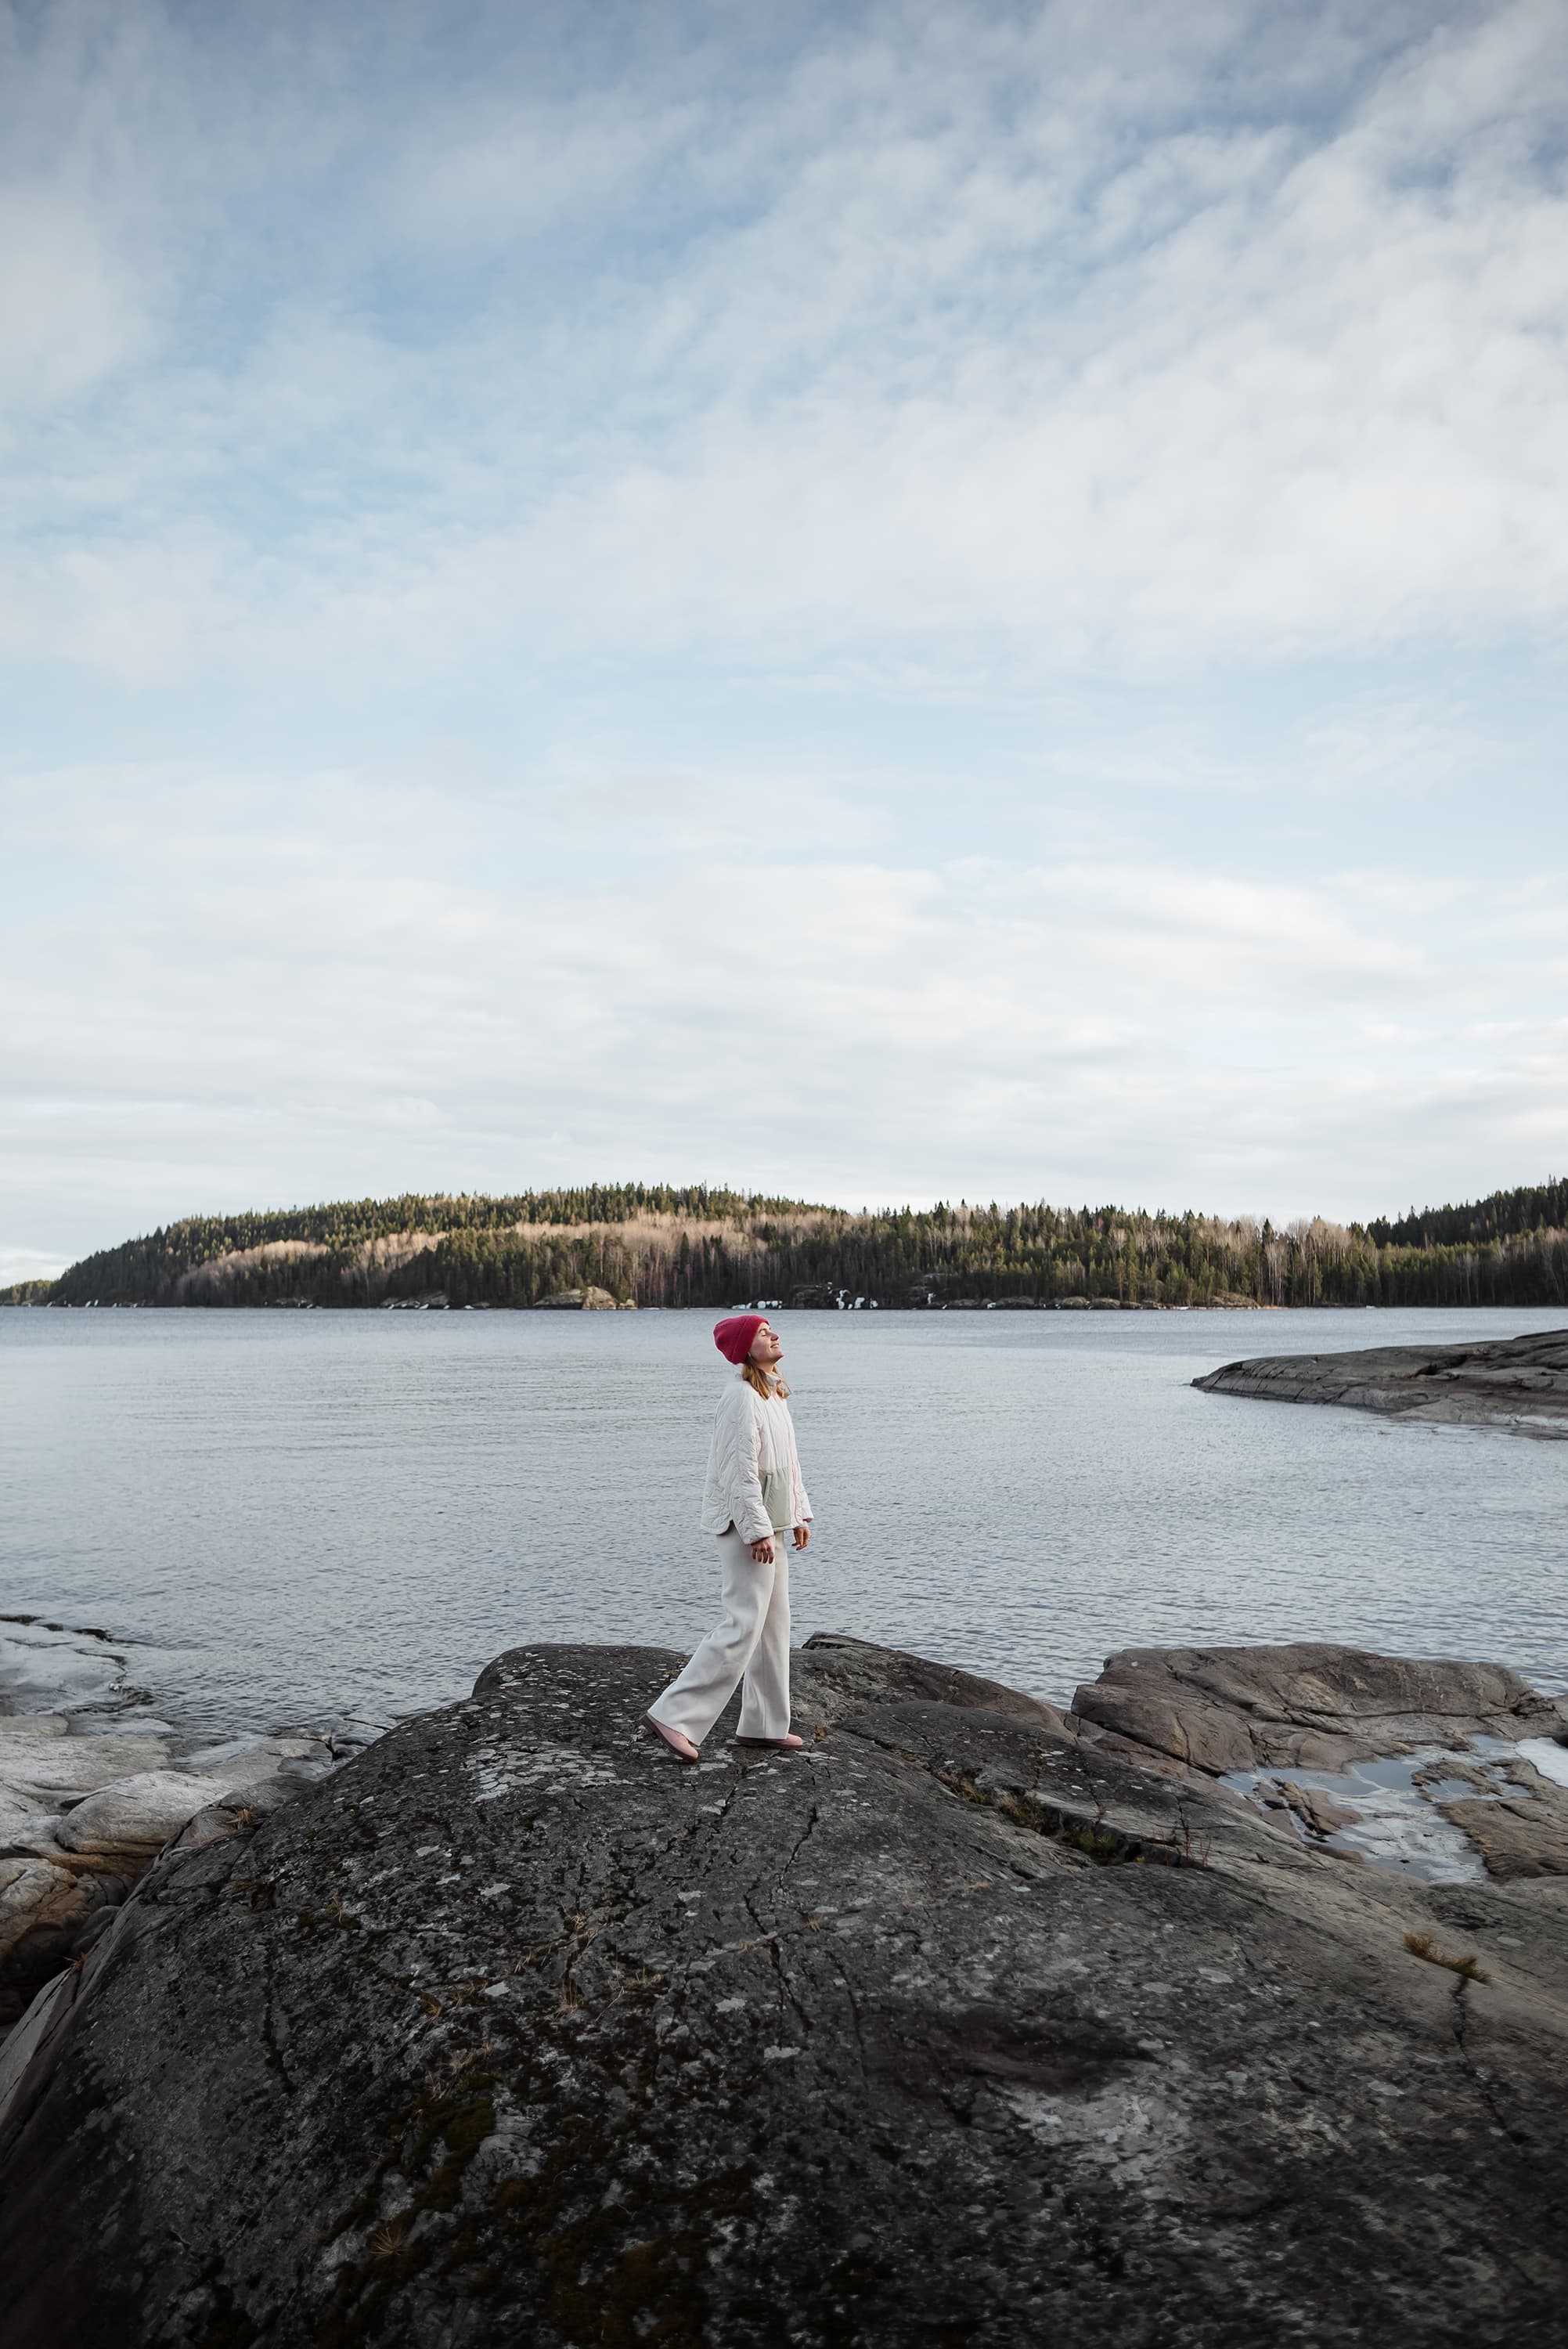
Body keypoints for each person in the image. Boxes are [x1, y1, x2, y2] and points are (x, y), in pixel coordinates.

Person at [644, 1313, 813, 1763]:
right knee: (743, 1623)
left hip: (771, 1524)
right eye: (763, 1333)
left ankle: (763, 1726)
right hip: (745, 1527)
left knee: (774, 1626)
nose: (774, 1336)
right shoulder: (739, 1397)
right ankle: (675, 1716)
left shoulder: (773, 1393)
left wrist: (798, 1515)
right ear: (745, 1348)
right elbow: (737, 1472)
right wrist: (755, 1530)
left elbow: (787, 1465)